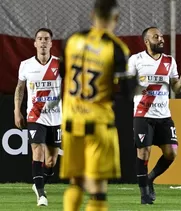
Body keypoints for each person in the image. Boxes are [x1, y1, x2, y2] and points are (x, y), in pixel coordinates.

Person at [58, 0, 131, 210]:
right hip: (97, 124)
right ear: (116, 18)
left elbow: (63, 73)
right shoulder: (115, 48)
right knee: (98, 190)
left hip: (71, 120)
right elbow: (127, 93)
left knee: (76, 181)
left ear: (92, 15)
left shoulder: (72, 40)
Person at [126, 26, 181, 204]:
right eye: (156, 37)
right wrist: (139, 87)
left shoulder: (169, 61)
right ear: (147, 41)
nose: (161, 39)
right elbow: (127, 86)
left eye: (162, 36)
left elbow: (175, 88)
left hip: (163, 115)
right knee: (144, 152)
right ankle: (144, 194)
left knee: (171, 153)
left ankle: (150, 178)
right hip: (142, 114)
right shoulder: (136, 60)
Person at [14, 28, 61, 206]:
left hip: (56, 118)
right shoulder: (26, 65)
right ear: (34, 43)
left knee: (51, 161)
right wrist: (16, 110)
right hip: (35, 116)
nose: (42, 42)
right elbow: (19, 88)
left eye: (46, 39)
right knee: (38, 152)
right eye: (39, 39)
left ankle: (38, 184)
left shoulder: (60, 64)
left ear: (51, 43)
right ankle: (41, 195)